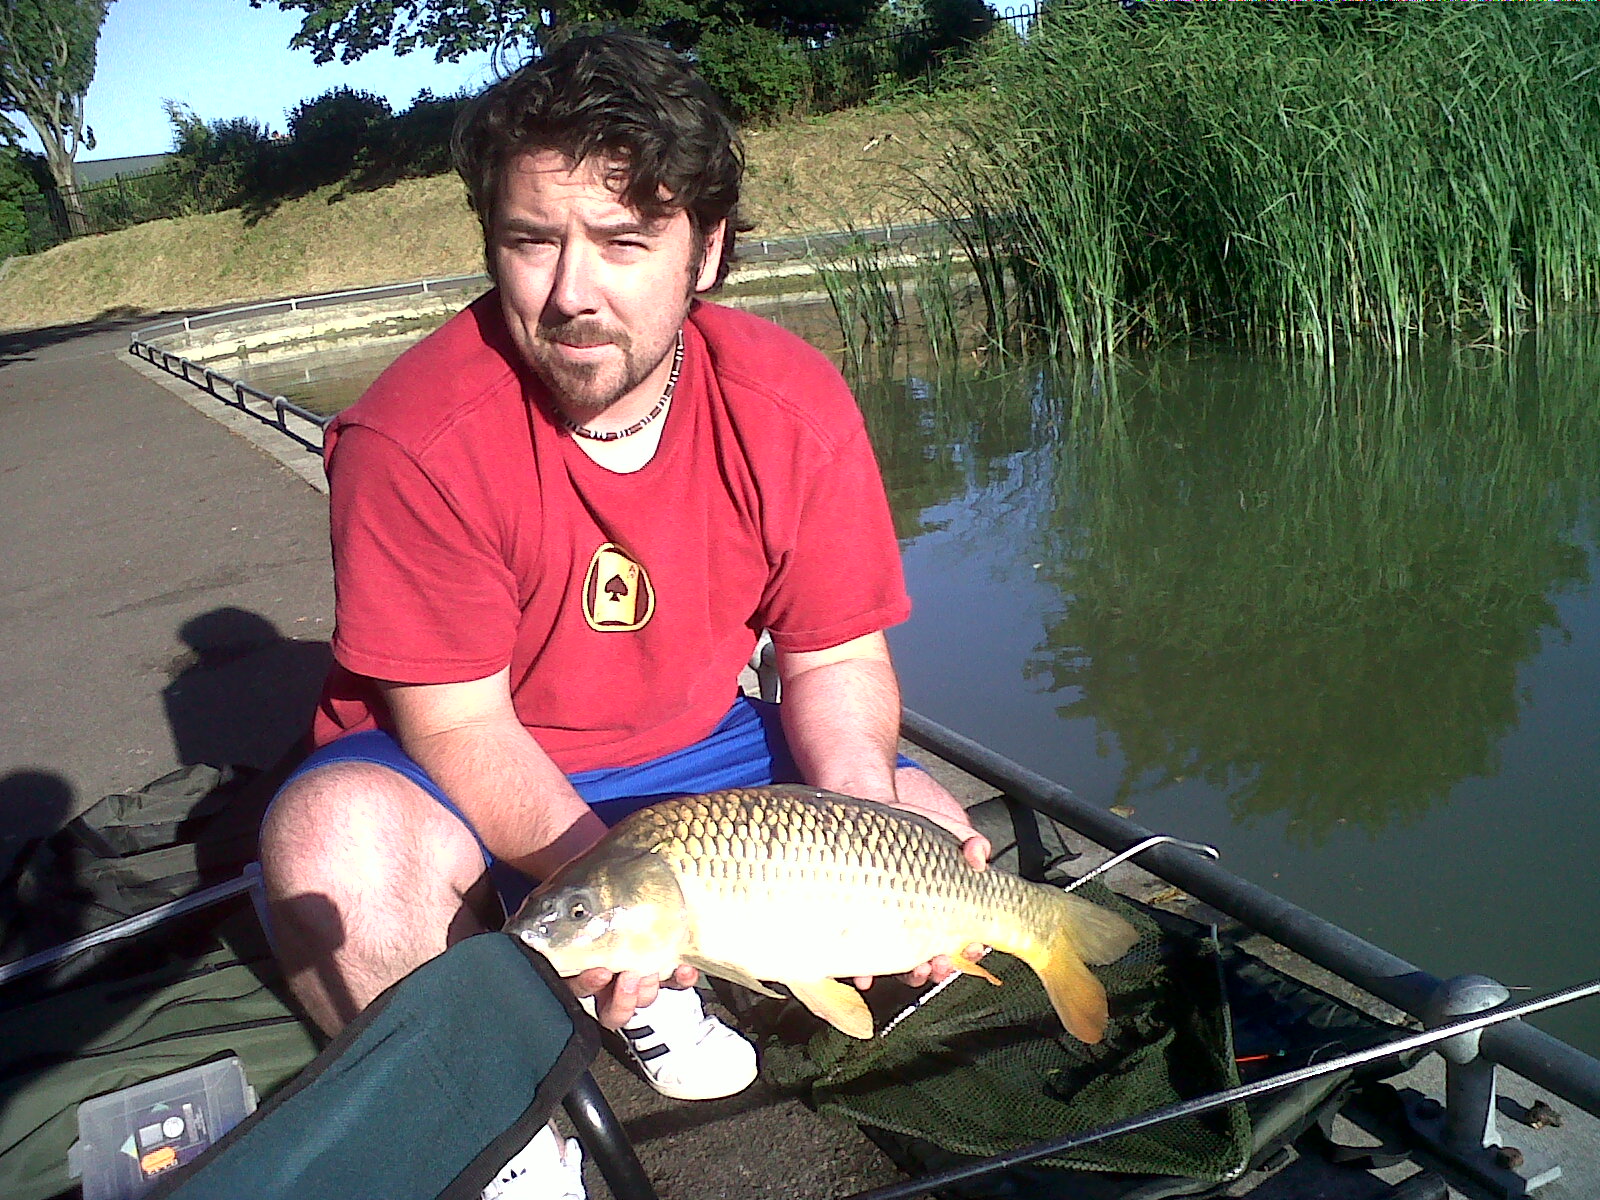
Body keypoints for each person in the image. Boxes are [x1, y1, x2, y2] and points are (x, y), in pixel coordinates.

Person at [258, 29, 988, 1199]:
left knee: (917, 811)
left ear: (708, 252)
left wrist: (864, 823)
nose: (568, 294)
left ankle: (660, 991)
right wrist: (618, 892)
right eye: (530, 241)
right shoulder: (412, 437)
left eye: (623, 242)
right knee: (332, 853)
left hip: (697, 746)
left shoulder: (791, 402)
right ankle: (492, 1121)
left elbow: (836, 655)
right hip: (456, 754)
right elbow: (457, 725)